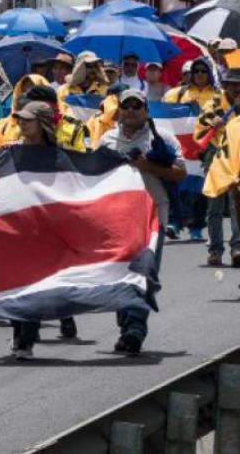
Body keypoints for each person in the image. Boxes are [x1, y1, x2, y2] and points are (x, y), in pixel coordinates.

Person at [98, 89, 187, 354]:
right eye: (127, 106)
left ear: (146, 110)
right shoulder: (107, 139)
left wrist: (146, 165)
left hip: (152, 215)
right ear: (120, 110)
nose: (132, 110)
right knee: (120, 273)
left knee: (144, 272)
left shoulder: (162, 138)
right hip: (117, 217)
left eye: (138, 106)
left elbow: (180, 173)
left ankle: (135, 328)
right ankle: (126, 324)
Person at [6, 102, 59, 360]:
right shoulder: (11, 152)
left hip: (44, 229)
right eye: (21, 119)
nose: (23, 124)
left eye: (29, 120)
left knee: (35, 287)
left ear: (43, 124)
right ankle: (19, 332)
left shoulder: (59, 157)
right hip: (16, 227)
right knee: (15, 285)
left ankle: (26, 339)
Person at [164, 57, 219, 240]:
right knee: (178, 185)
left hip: (208, 148)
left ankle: (196, 227)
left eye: (204, 71)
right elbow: (164, 116)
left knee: (202, 189)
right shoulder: (176, 94)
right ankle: (174, 222)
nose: (200, 75)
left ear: (209, 73)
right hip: (182, 146)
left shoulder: (218, 95)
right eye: (196, 71)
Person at [197, 69, 240, 267]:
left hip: (236, 157)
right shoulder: (212, 104)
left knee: (236, 205)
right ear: (225, 85)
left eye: (239, 84)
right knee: (214, 206)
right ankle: (215, 250)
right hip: (216, 156)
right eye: (232, 84)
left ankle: (237, 248)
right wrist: (212, 124)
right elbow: (199, 134)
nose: (236, 88)